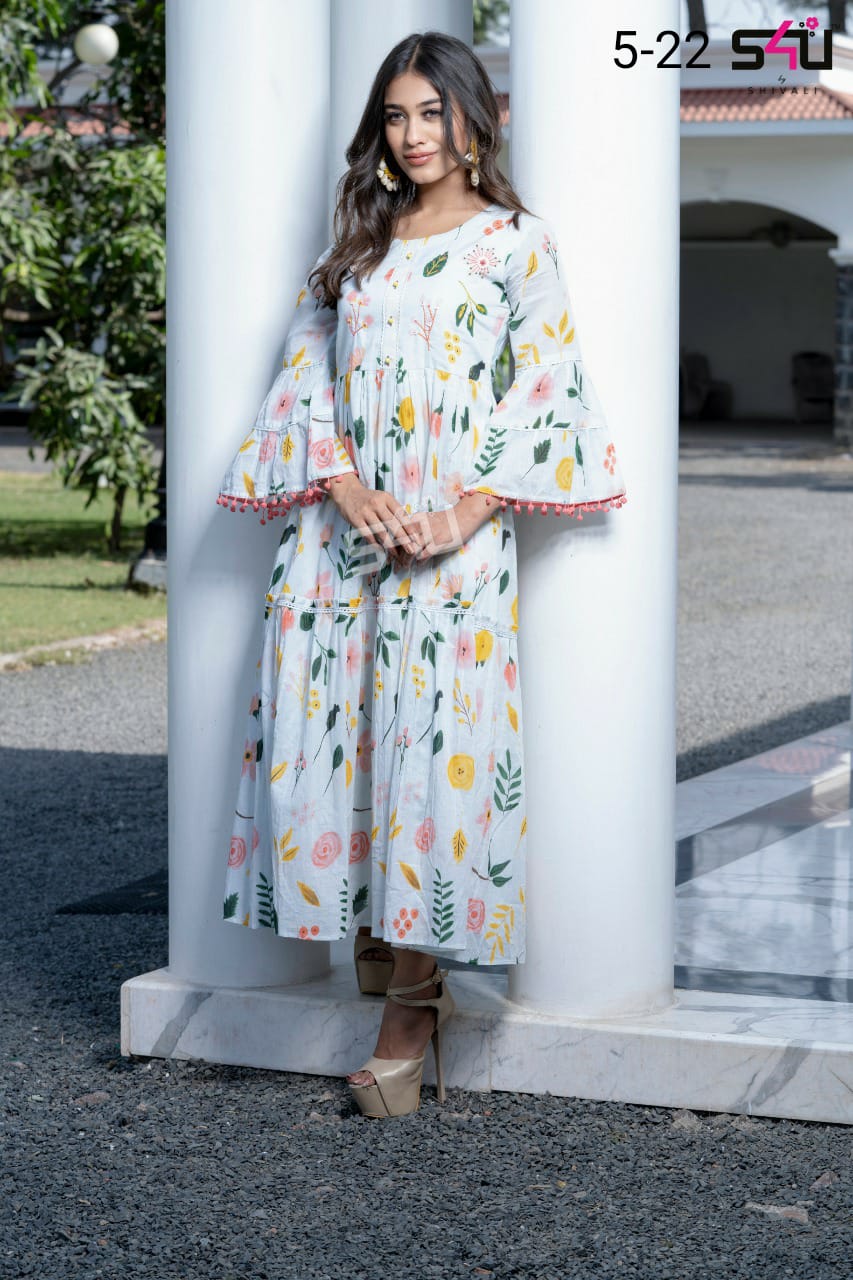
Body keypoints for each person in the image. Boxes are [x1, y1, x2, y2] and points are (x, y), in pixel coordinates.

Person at [217, 30, 627, 1118]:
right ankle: (373, 930)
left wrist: (456, 516)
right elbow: (304, 373)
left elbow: (545, 391)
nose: (412, 136)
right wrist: (347, 489)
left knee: (429, 760)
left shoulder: (515, 244)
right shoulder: (358, 246)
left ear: (473, 117)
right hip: (339, 539)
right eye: (395, 117)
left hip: (449, 552)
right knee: (335, 738)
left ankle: (412, 1003)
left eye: (431, 113)